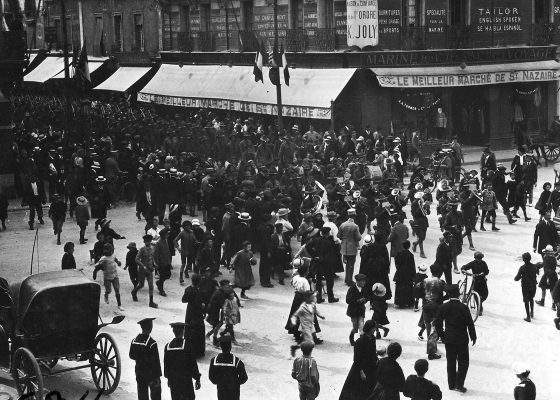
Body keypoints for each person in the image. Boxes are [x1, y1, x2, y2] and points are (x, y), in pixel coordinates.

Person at [434, 284, 477, 393]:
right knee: (463, 362)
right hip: (462, 339)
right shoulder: (464, 307)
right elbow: (470, 324)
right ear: (458, 294)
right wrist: (473, 337)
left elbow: (437, 324)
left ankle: (451, 384)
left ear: (448, 294)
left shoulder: (443, 307)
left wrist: (443, 336)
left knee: (451, 362)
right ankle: (459, 384)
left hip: (449, 339)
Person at [339, 320, 379, 400]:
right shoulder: (359, 342)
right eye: (373, 329)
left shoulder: (373, 338)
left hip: (371, 366)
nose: (374, 330)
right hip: (360, 368)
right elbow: (356, 359)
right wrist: (361, 372)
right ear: (369, 329)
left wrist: (377, 360)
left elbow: (373, 352)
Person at [163, 322, 201, 400]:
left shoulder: (168, 346)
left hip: (174, 381)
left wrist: (169, 378)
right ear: (183, 331)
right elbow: (192, 363)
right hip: (185, 381)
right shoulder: (187, 345)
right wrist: (197, 378)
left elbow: (166, 365)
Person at [130, 318, 162, 400]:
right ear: (151, 328)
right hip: (151, 374)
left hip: (139, 372)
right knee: (156, 395)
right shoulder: (152, 343)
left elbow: (131, 356)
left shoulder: (134, 341)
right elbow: (156, 362)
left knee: (142, 395)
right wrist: (158, 376)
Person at [208, 334, 248, 400]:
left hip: (221, 390)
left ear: (221, 346)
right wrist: (235, 384)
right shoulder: (237, 361)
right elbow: (244, 378)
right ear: (230, 347)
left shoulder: (214, 360)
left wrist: (220, 382)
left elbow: (212, 377)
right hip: (234, 392)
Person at [291, 291, 325, 355]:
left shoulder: (312, 304)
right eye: (312, 297)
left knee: (308, 340)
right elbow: (296, 314)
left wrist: (321, 316)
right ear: (307, 298)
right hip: (305, 326)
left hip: (311, 324)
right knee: (311, 343)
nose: (314, 298)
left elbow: (316, 311)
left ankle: (297, 347)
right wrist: (293, 321)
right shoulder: (303, 307)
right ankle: (305, 354)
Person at [93, 243, 124, 311]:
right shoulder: (103, 258)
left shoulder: (113, 256)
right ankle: (106, 295)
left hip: (115, 275)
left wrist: (118, 262)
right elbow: (96, 265)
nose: (110, 252)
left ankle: (119, 305)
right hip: (107, 277)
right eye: (108, 250)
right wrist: (98, 266)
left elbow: (115, 259)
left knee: (117, 290)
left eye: (111, 250)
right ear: (105, 251)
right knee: (109, 290)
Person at [182, 274, 207, 358]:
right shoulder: (200, 291)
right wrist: (203, 307)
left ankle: (189, 350)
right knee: (198, 330)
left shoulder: (188, 289)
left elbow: (183, 300)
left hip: (190, 312)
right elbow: (200, 303)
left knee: (189, 329)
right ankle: (198, 351)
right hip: (197, 312)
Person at [514, 252, 541, 322]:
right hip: (533, 286)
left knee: (526, 300)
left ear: (523, 259)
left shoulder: (522, 268)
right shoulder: (534, 266)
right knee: (531, 298)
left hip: (525, 286)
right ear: (530, 258)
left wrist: (517, 278)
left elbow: (517, 278)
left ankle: (528, 317)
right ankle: (532, 313)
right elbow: (537, 272)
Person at [338, 208, 362, 286]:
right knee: (351, 264)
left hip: (344, 246)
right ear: (354, 215)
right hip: (352, 247)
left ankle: (346, 278)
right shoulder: (355, 226)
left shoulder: (343, 224)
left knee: (347, 264)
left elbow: (339, 235)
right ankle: (349, 280)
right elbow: (358, 238)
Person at [133, 234, 159, 308]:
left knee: (151, 286)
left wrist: (154, 264)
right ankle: (134, 292)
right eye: (145, 241)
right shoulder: (142, 249)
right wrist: (143, 266)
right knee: (141, 284)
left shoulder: (153, 248)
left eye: (148, 241)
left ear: (150, 241)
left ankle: (151, 302)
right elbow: (136, 259)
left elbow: (152, 257)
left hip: (150, 269)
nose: (147, 242)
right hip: (142, 269)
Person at [346, 273, 371, 346]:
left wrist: (365, 300)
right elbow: (348, 300)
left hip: (361, 311)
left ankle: (361, 341)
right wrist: (358, 301)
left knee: (362, 326)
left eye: (364, 281)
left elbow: (367, 297)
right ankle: (351, 337)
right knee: (355, 327)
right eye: (362, 281)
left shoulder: (364, 289)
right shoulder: (352, 289)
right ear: (357, 281)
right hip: (353, 311)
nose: (364, 283)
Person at [394, 240, 416, 308]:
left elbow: (396, 264)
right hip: (408, 274)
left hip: (400, 273)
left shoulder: (398, 254)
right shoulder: (410, 255)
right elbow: (412, 266)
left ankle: (400, 302)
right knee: (408, 288)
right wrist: (414, 276)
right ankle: (408, 302)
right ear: (409, 246)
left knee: (400, 288)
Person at [154, 228, 172, 297]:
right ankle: (161, 290)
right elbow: (156, 254)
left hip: (166, 262)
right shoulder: (158, 243)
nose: (168, 235)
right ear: (163, 235)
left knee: (168, 275)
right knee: (162, 276)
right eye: (167, 234)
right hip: (161, 263)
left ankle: (158, 283)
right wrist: (157, 264)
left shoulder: (166, 241)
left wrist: (169, 262)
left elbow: (167, 251)